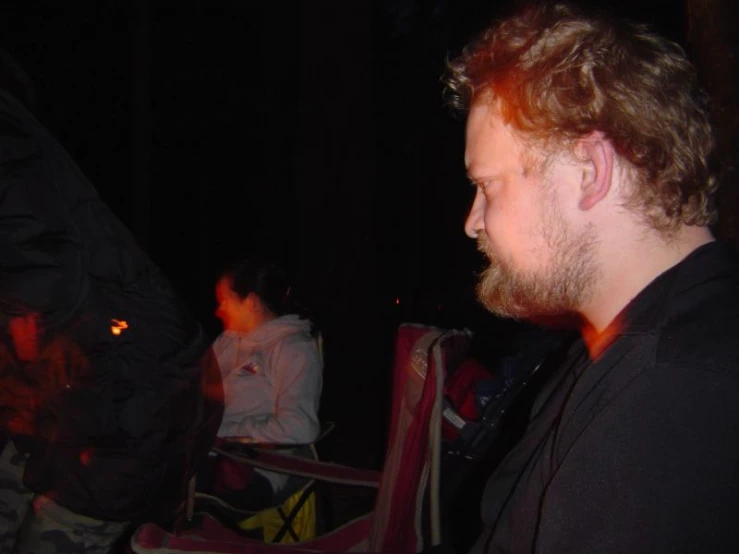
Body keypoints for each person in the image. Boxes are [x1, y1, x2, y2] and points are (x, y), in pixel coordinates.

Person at [443, 2, 739, 553]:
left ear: (590, 172)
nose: (472, 222)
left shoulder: (674, 394)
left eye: (488, 184)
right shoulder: (621, 346)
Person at [0, 57, 222, 552]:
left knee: (47, 534)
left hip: (121, 418)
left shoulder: (13, 159)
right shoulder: (29, 159)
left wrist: (67, 425)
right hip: (75, 418)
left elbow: (40, 281)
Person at [205, 257, 322, 509]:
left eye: (225, 300)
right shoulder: (228, 341)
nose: (219, 310)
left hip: (250, 469)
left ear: (251, 303)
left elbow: (300, 426)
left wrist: (223, 431)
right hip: (201, 454)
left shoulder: (293, 348)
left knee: (161, 495)